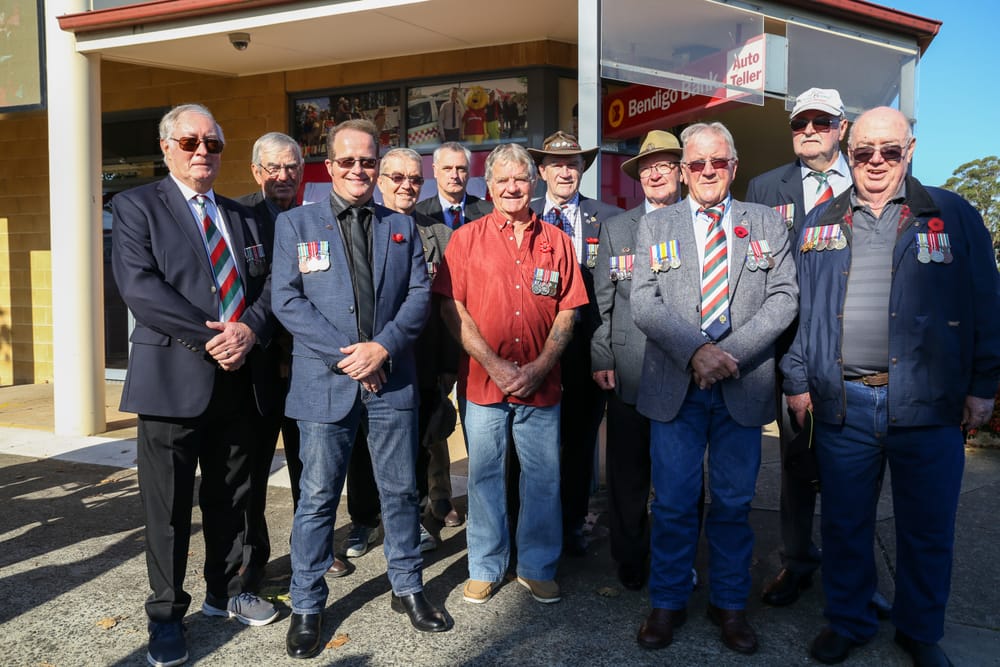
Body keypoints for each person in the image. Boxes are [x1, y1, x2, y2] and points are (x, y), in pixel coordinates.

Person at [782, 106, 1000, 666]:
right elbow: (801, 310)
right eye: (863, 152)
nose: (876, 161)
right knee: (845, 523)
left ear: (911, 151)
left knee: (927, 529)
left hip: (927, 403)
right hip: (844, 403)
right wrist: (799, 380)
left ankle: (919, 630)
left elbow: (987, 305)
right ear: (848, 154)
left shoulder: (953, 215)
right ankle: (849, 620)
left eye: (890, 151)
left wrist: (983, 384)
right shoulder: (821, 221)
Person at [271, 119, 449, 660]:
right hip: (325, 383)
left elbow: (419, 296)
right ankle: (306, 603)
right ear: (330, 166)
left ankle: (408, 587)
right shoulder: (297, 225)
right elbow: (287, 300)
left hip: (391, 381)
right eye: (346, 161)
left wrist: (382, 348)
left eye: (366, 161)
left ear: (377, 166)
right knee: (318, 498)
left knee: (400, 492)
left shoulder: (400, 226)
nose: (357, 170)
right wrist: (352, 355)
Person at [111, 103, 280, 667]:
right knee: (169, 507)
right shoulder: (136, 206)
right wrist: (215, 337)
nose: (202, 151)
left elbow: (269, 288)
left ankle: (225, 593)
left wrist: (248, 331)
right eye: (189, 142)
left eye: (212, 143)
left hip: (238, 381)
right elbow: (140, 289)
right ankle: (165, 615)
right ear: (166, 148)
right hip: (171, 381)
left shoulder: (246, 217)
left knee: (232, 496)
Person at [630, 122, 797, 654]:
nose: (707, 172)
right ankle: (668, 602)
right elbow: (643, 302)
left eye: (717, 163)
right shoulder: (658, 226)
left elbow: (784, 298)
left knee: (732, 504)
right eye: (697, 164)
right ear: (683, 171)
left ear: (734, 165)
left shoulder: (766, 223)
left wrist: (729, 356)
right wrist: (696, 352)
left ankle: (729, 605)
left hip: (742, 388)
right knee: (675, 503)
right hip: (674, 388)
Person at [434, 143, 587, 606]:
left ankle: (537, 566)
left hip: (543, 387)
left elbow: (568, 311)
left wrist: (540, 366)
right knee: (484, 477)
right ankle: (485, 565)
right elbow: (450, 306)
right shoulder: (466, 239)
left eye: (520, 179)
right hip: (483, 384)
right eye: (502, 181)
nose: (512, 188)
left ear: (533, 183)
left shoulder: (558, 241)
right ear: (489, 187)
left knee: (542, 477)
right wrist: (495, 365)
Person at [745, 87, 851, 607]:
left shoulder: (870, 182)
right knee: (796, 465)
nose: (810, 130)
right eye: (800, 122)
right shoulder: (766, 188)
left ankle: (850, 572)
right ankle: (797, 560)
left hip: (853, 350)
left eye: (822, 122)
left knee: (853, 470)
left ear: (842, 128)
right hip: (790, 351)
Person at [344, 147, 459, 555]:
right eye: (398, 178)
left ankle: (419, 519)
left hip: (422, 357)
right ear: (380, 180)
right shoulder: (359, 226)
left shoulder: (441, 235)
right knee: (361, 447)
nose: (407, 186)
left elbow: (450, 306)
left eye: (414, 179)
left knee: (418, 442)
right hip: (363, 358)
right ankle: (363, 521)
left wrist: (449, 365)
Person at [591, 130, 684, 590]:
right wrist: (601, 355)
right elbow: (603, 303)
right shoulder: (617, 229)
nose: (655, 173)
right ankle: (630, 559)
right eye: (647, 167)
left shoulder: (700, 222)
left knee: (681, 480)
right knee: (627, 477)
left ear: (681, 171)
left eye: (664, 164)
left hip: (686, 373)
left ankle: (678, 560)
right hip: (628, 369)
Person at [235, 131, 323, 588]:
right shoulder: (240, 219)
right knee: (252, 468)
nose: (284, 176)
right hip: (259, 367)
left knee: (309, 464)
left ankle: (312, 552)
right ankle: (255, 560)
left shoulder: (315, 219)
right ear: (256, 171)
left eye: (292, 167)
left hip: (309, 365)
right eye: (274, 168)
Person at [528, 130, 621, 555]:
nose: (566, 171)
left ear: (583, 169)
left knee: (580, 442)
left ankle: (571, 525)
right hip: (532, 347)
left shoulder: (611, 218)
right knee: (534, 445)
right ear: (542, 171)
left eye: (574, 164)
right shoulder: (522, 214)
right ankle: (532, 525)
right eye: (557, 165)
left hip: (588, 348)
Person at [415, 141, 493, 233]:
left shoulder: (490, 212)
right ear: (435, 171)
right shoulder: (418, 214)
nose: (454, 175)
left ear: (468, 171)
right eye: (447, 169)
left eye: (461, 169)